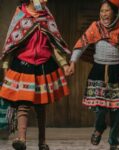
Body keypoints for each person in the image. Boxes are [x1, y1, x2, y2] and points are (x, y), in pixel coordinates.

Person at [68, 0, 119, 150]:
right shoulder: (95, 27)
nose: (103, 14)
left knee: (118, 110)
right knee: (100, 108)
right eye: (102, 11)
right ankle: (99, 127)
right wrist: (72, 62)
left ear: (115, 12)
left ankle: (113, 143)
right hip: (98, 71)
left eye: (107, 11)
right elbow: (82, 44)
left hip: (118, 73)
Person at [0, 0, 71, 150]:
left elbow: (54, 44)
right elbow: (11, 42)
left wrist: (64, 64)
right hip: (23, 66)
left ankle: (42, 142)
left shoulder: (47, 17)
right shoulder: (20, 15)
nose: (44, 0)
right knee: (23, 104)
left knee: (41, 106)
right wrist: (5, 66)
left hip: (43, 66)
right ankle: (21, 139)